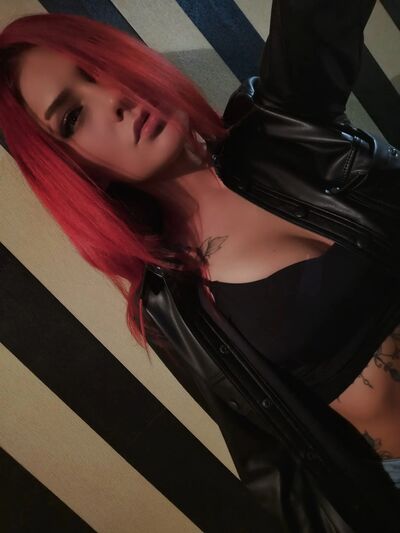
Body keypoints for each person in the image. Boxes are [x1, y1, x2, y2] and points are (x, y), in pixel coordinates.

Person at [1, 4, 399, 531]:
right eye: (73, 117)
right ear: (72, 167)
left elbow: (316, 17)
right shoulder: (173, 307)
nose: (114, 97)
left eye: (100, 67)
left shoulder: (282, 129)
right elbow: (277, 469)